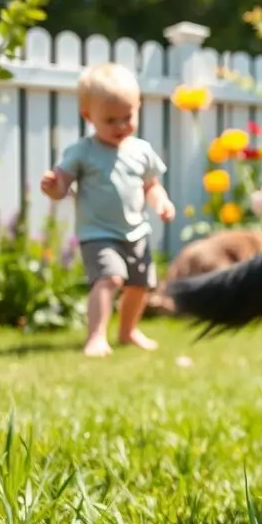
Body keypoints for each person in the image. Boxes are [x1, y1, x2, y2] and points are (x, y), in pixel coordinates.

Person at [40, 62, 176, 357]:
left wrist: (161, 203)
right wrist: (54, 187)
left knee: (140, 285)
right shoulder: (82, 152)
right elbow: (63, 184)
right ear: (88, 116)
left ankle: (127, 331)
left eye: (127, 117)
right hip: (98, 232)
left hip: (136, 230)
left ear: (138, 108)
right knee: (110, 278)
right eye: (111, 120)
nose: (121, 126)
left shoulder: (141, 151)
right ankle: (96, 336)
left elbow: (151, 186)